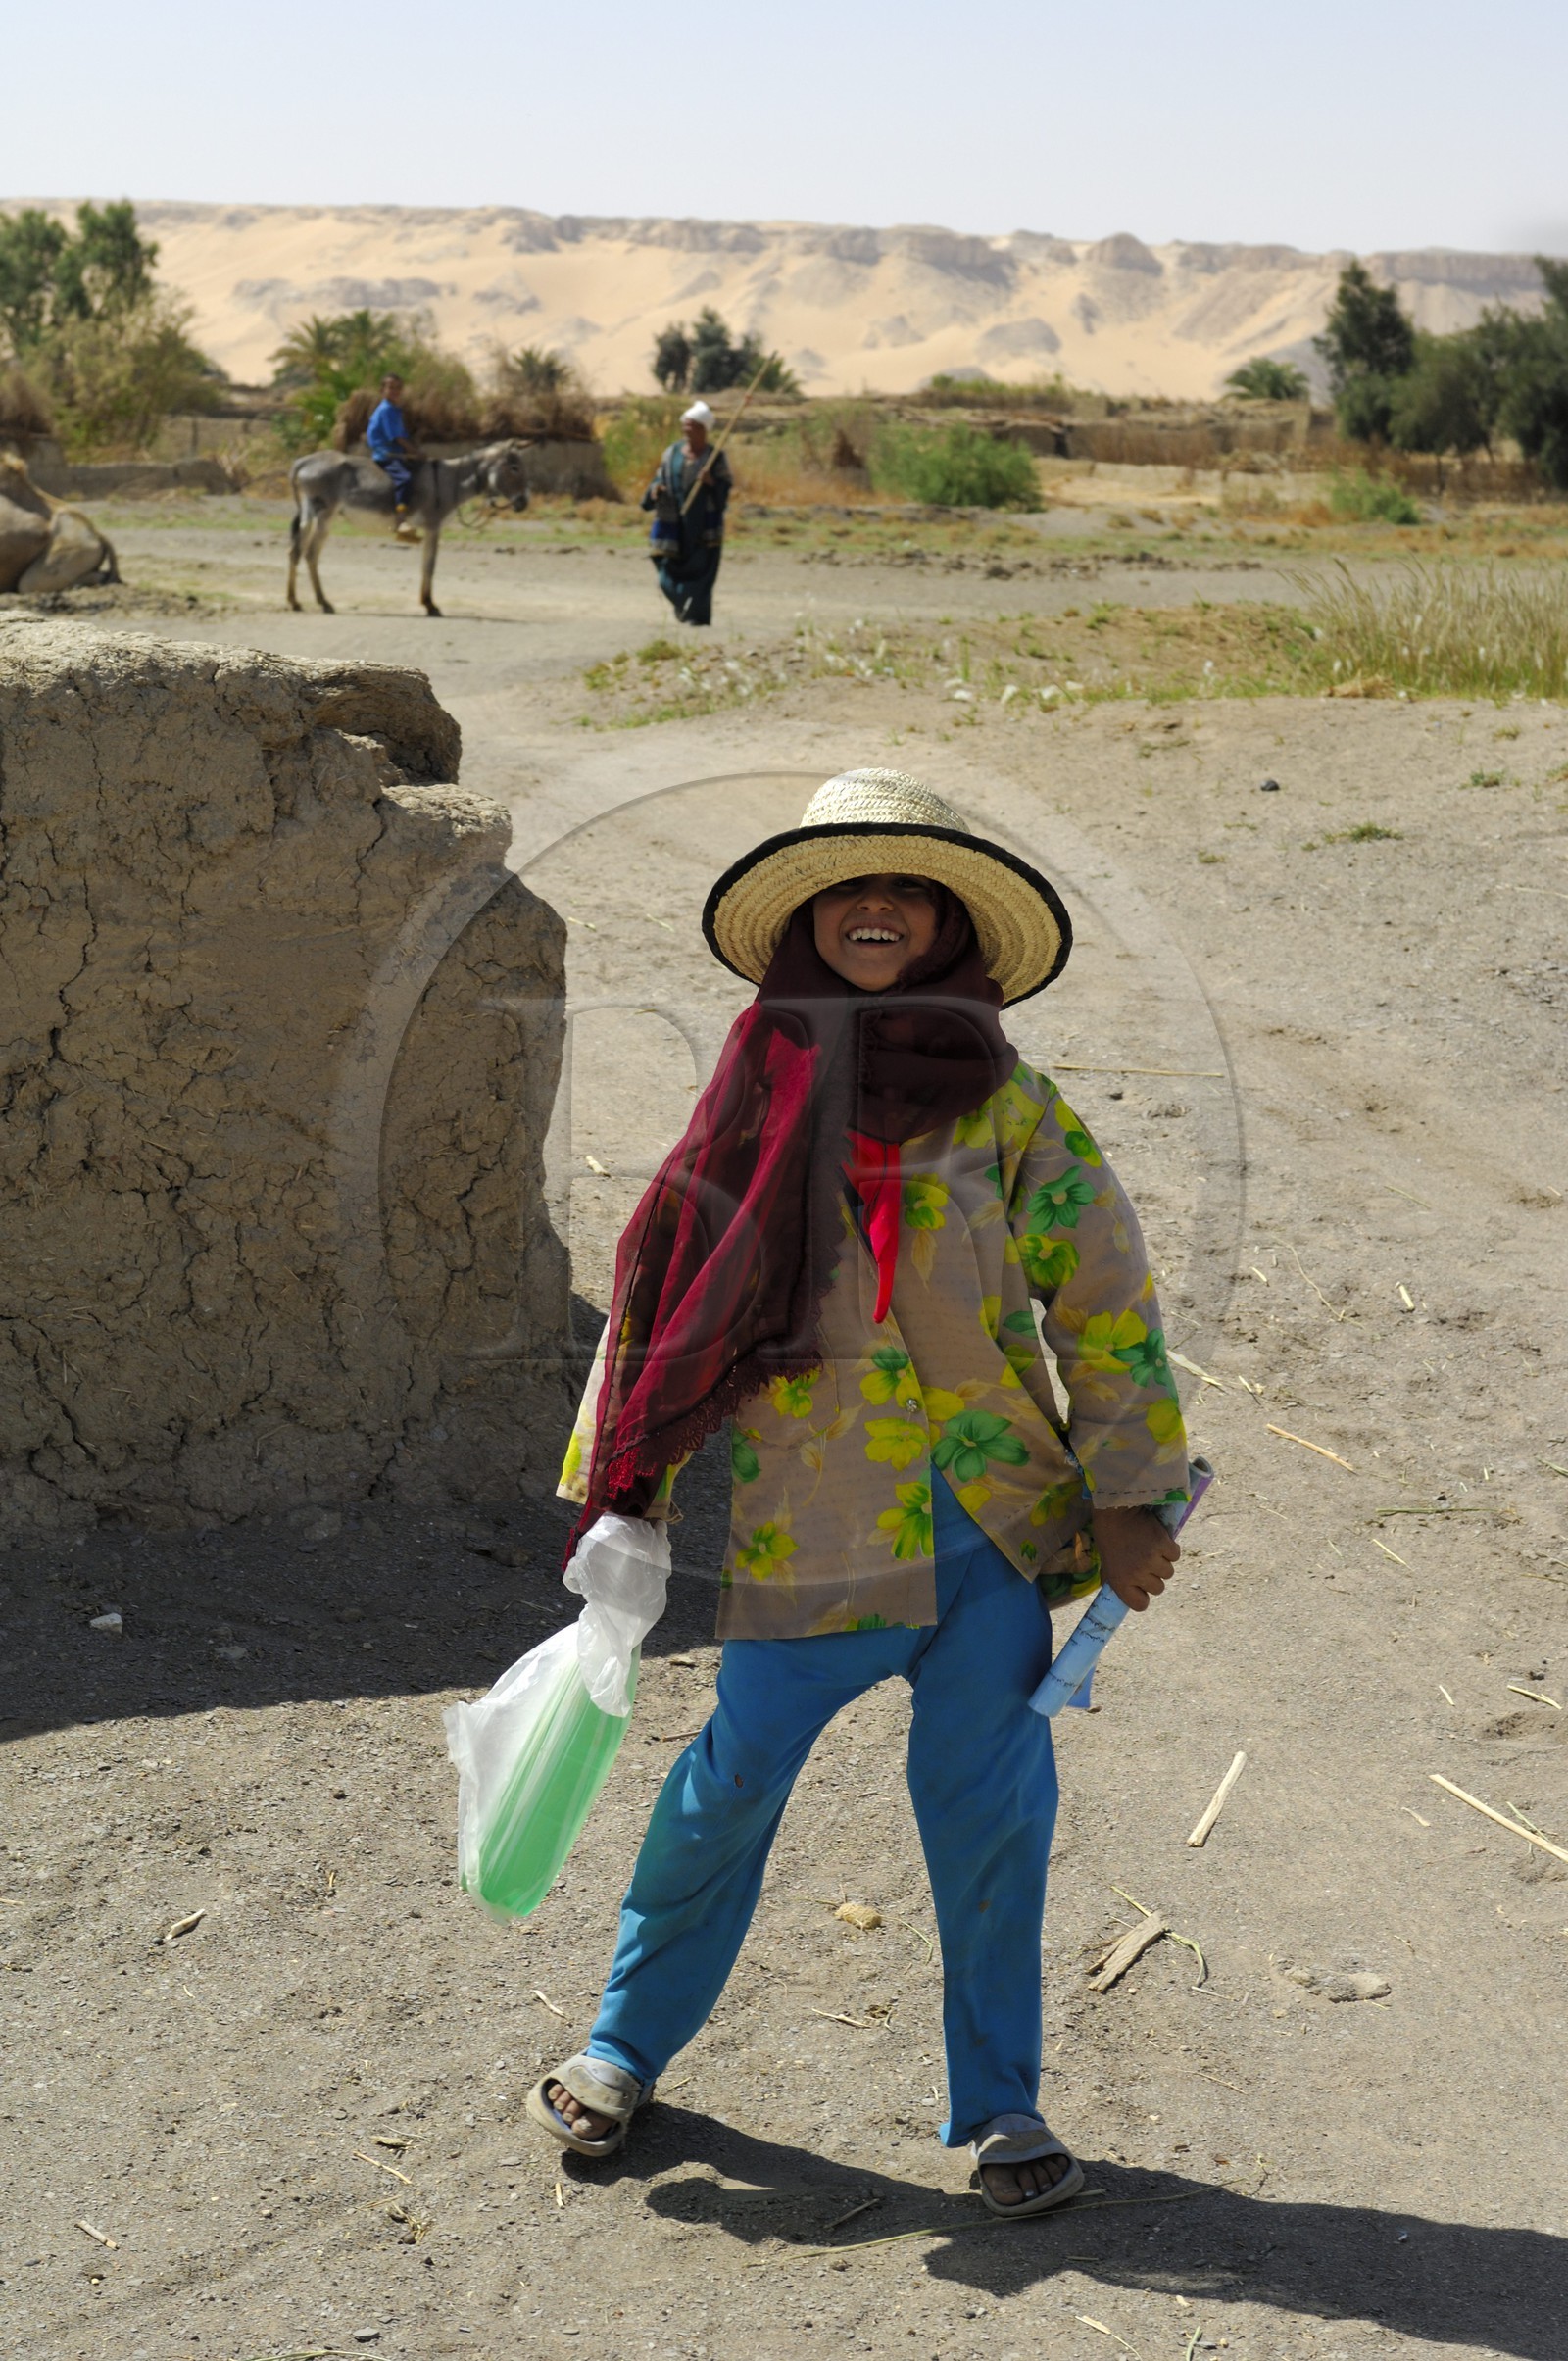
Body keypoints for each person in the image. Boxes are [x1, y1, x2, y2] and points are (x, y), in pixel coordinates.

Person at [530, 769, 1190, 2218]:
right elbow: (662, 1293)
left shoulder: (1010, 1106)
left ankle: (1005, 2105)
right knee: (727, 1783)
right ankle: (624, 2044)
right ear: (807, 920)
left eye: (906, 889)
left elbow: (1104, 1295)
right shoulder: (752, 1094)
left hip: (993, 1533)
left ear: (950, 922)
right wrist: (627, 1498)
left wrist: (1132, 1490)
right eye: (846, 887)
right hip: (809, 1526)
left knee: (990, 1808)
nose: (875, 908)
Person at [643, 398, 731, 626]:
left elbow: (726, 487)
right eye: (685, 426)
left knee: (702, 571)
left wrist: (711, 483)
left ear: (703, 430)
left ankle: (697, 617)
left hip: (703, 525)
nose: (686, 430)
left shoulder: (715, 458)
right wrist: (655, 490)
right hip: (672, 522)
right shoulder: (671, 453)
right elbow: (659, 478)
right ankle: (682, 603)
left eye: (691, 426)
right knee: (665, 566)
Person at [366, 373, 420, 544]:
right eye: (391, 387)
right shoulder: (387, 409)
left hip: (395, 452)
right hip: (386, 455)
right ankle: (400, 522)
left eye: (398, 388)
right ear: (383, 391)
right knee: (404, 479)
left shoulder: (395, 409)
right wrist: (414, 451)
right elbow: (397, 437)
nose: (395, 391)